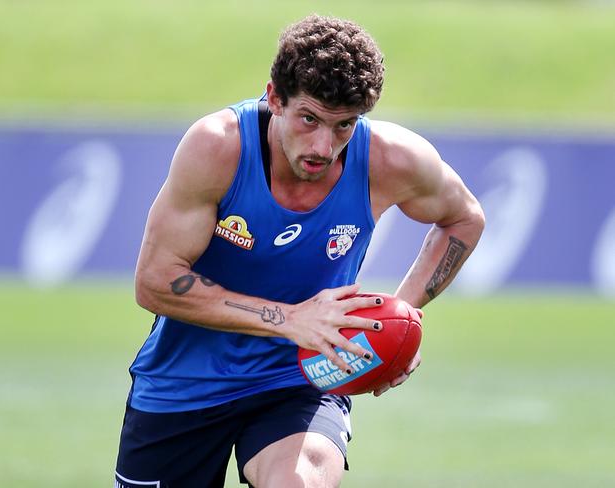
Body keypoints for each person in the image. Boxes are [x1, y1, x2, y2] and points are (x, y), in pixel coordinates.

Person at [114, 14, 484, 488]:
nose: (324, 146)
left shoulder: (390, 159)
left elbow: (464, 217)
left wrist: (399, 318)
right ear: (274, 98)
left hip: (300, 376)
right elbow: (155, 281)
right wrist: (289, 319)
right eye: (309, 119)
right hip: (184, 381)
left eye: (344, 125)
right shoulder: (218, 148)